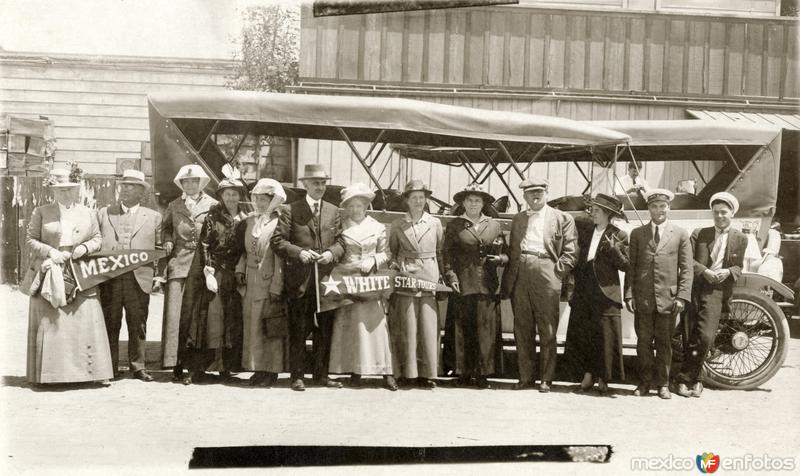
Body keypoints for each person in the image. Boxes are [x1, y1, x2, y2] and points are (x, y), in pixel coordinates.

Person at [22, 168, 114, 386]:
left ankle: (91, 374)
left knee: (85, 318)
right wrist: (51, 252)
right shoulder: (42, 212)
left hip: (80, 269)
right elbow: (30, 239)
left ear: (76, 190)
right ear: (54, 191)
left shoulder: (87, 212)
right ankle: (49, 376)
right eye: (61, 190)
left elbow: (97, 238)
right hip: (50, 268)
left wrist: (84, 247)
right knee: (50, 318)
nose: (65, 194)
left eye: (70, 190)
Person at [272, 163, 346, 391]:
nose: (320, 187)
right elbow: (278, 241)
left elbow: (342, 242)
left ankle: (321, 375)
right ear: (305, 185)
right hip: (300, 280)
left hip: (326, 281)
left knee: (325, 329)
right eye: (315, 183)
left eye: (323, 183)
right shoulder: (289, 210)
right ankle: (297, 375)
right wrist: (300, 253)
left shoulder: (334, 211)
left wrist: (330, 253)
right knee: (298, 328)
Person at [501, 178, 578, 393]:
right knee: (522, 327)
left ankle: (546, 378)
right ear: (524, 196)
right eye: (531, 193)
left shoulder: (562, 218)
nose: (536, 196)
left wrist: (556, 273)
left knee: (548, 328)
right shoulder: (518, 219)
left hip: (547, 270)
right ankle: (525, 377)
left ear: (546, 193)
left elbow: (571, 252)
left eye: (539, 192)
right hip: (521, 271)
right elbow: (513, 250)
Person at [675, 192, 747, 398]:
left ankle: (686, 378)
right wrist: (704, 271)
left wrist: (728, 272)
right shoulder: (700, 233)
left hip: (716, 291)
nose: (719, 216)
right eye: (716, 213)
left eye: (724, 212)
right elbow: (687, 261)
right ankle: (694, 381)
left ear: (732, 213)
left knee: (706, 337)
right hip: (694, 289)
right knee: (689, 337)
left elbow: (738, 266)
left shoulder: (740, 238)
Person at [178, 177, 248, 385]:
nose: (231, 198)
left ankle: (226, 369)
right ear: (221, 196)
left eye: (235, 194)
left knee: (230, 321)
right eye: (227, 194)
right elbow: (205, 244)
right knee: (208, 322)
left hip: (233, 275)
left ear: (240, 196)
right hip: (214, 273)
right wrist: (209, 272)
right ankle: (198, 368)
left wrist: (240, 271)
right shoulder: (212, 217)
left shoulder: (245, 219)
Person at [624, 188, 693, 399]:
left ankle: (663, 384)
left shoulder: (680, 234)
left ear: (669, 207)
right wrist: (629, 294)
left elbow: (687, 268)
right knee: (643, 343)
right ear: (648, 209)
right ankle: (644, 383)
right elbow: (631, 267)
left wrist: (682, 296)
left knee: (664, 344)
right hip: (643, 299)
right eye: (654, 206)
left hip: (669, 300)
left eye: (662, 206)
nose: (658, 210)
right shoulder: (637, 234)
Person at [328, 183, 397, 391]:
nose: (355, 210)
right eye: (351, 206)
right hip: (349, 280)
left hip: (370, 280)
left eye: (359, 205)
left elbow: (387, 253)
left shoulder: (377, 227)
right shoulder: (341, 227)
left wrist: (375, 260)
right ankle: (354, 370)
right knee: (351, 327)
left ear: (367, 206)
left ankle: (385, 371)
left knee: (375, 325)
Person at [97, 169, 162, 382]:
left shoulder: (153, 217)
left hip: (139, 278)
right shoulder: (104, 213)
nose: (125, 189)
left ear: (141, 192)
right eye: (123, 185)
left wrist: (157, 277)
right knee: (110, 322)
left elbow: (160, 248)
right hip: (111, 278)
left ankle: (138, 366)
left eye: (131, 186)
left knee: (138, 323)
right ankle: (109, 367)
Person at [442, 183, 507, 389]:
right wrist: (451, 277)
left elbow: (507, 254)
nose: (473, 204)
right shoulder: (454, 226)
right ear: (462, 203)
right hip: (463, 282)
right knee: (462, 328)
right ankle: (462, 372)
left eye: (477, 201)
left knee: (485, 330)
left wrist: (500, 259)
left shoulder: (494, 225)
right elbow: (446, 255)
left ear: (484, 204)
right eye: (469, 200)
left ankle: (483, 373)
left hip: (487, 284)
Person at [564, 194, 629, 394]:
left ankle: (604, 378)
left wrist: (613, 250)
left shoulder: (620, 235)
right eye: (592, 209)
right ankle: (587, 375)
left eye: (597, 210)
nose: (592, 213)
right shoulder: (585, 230)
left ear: (608, 214)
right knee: (584, 334)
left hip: (606, 291)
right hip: (584, 289)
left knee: (605, 336)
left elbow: (626, 265)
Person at [160, 164, 217, 381]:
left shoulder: (213, 205)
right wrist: (166, 240)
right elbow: (166, 228)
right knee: (176, 316)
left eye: (194, 181)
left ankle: (196, 365)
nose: (190, 185)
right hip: (179, 264)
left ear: (201, 183)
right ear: (181, 184)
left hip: (203, 266)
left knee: (197, 317)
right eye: (186, 181)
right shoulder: (174, 205)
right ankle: (175, 362)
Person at [387, 179, 445, 389]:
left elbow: (439, 251)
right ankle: (406, 372)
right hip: (406, 276)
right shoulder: (397, 224)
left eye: (422, 198)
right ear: (407, 201)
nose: (419, 202)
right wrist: (396, 266)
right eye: (414, 198)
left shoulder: (435, 223)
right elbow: (392, 251)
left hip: (429, 275)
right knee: (407, 324)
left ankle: (428, 373)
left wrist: (441, 276)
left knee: (428, 325)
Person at [238, 178, 288, 387]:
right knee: (253, 327)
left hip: (269, 281)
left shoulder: (279, 222)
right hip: (251, 282)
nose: (259, 203)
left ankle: (271, 370)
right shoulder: (250, 221)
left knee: (269, 327)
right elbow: (245, 251)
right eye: (256, 199)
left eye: (263, 199)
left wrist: (277, 285)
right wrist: (239, 270)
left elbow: (280, 257)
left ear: (273, 200)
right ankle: (257, 368)